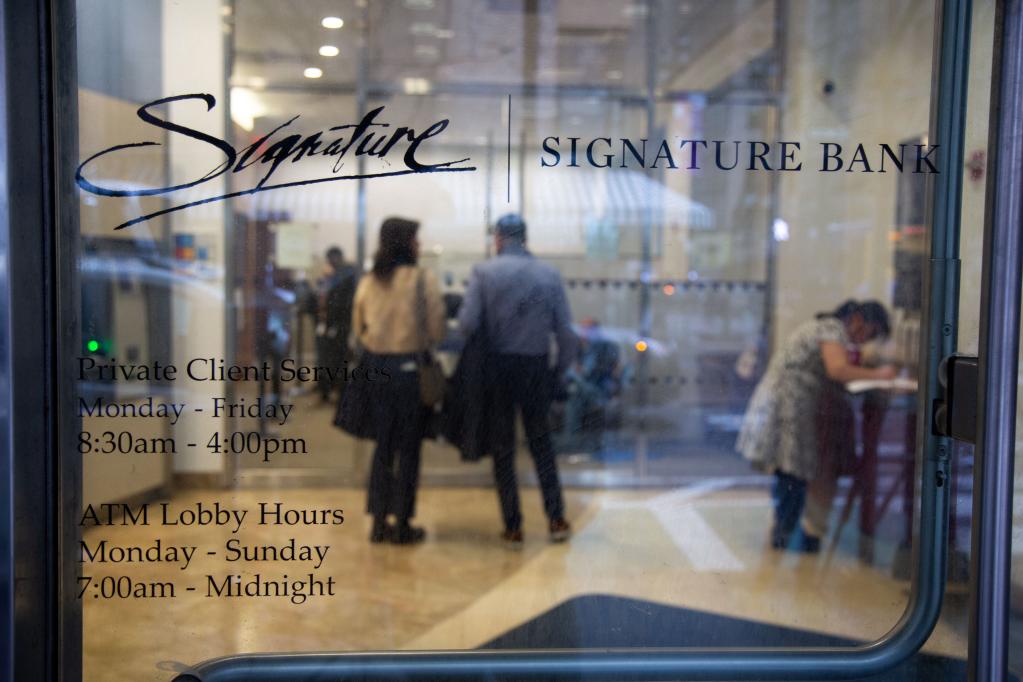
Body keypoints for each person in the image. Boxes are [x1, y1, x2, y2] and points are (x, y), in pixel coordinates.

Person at [737, 299, 895, 552]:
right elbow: (837, 370)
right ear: (857, 320)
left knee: (790, 469)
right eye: (870, 332)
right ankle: (785, 531)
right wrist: (879, 375)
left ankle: (786, 529)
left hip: (787, 402)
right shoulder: (832, 328)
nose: (865, 340)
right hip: (789, 404)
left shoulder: (823, 327)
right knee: (792, 470)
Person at [458, 213, 577, 545]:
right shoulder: (549, 274)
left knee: (503, 446)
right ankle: (556, 518)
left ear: (498, 238)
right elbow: (566, 332)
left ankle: (513, 526)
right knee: (541, 442)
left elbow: (467, 323)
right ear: (525, 238)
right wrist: (559, 370)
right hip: (536, 365)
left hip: (498, 367)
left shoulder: (484, 272)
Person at [352, 218, 445, 544]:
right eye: (416, 240)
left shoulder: (370, 280)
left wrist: (377, 343)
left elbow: (359, 327)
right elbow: (437, 327)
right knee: (408, 449)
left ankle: (378, 522)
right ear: (405, 243)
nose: (419, 245)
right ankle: (403, 523)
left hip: (376, 369)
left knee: (383, 447)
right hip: (409, 372)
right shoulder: (422, 279)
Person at [559, 318, 621, 453]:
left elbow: (608, 369)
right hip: (583, 388)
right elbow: (570, 370)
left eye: (587, 328)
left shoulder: (606, 347)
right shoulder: (577, 346)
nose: (583, 332)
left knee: (577, 393)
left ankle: (572, 444)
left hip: (600, 385)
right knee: (576, 391)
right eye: (583, 328)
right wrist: (577, 371)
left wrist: (582, 371)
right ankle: (574, 443)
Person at [316, 246, 358, 402]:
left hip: (341, 324)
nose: (329, 262)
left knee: (337, 359)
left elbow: (340, 302)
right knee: (335, 358)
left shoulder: (344, 275)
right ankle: (333, 389)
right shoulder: (341, 275)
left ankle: (337, 390)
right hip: (338, 323)